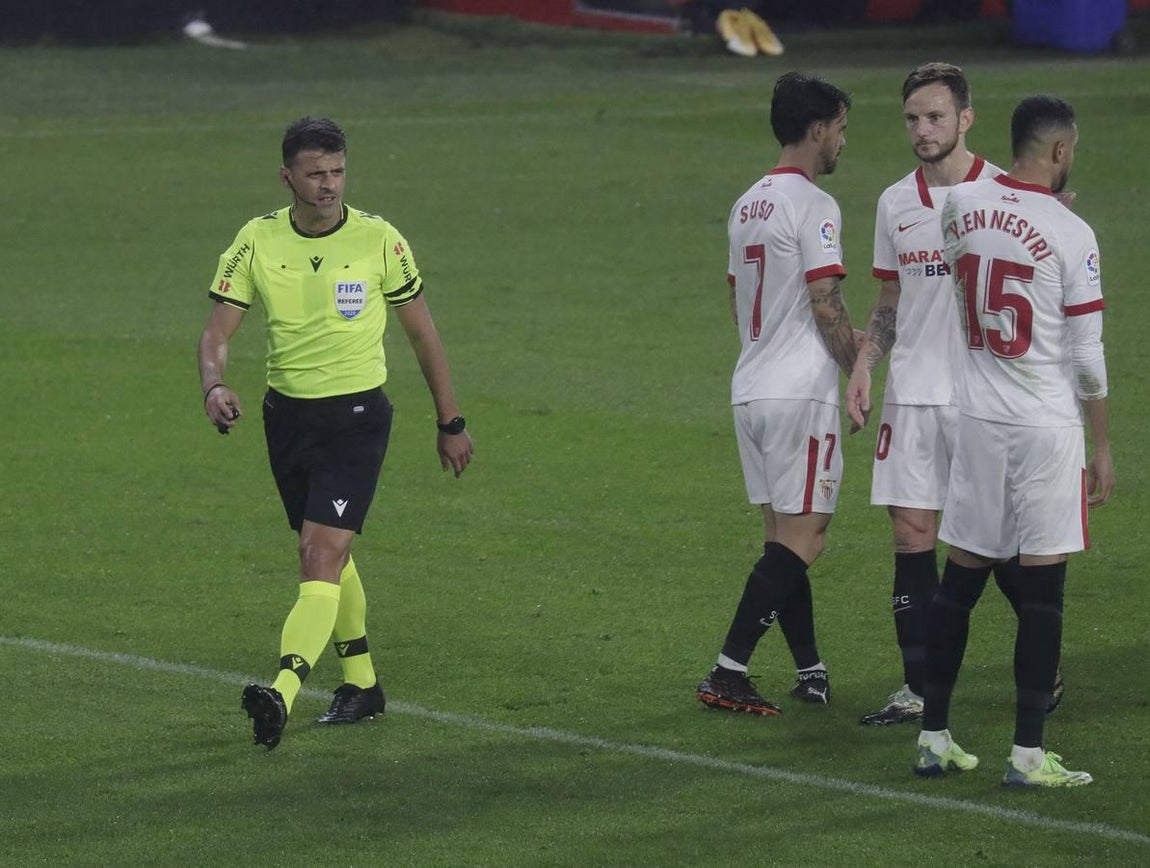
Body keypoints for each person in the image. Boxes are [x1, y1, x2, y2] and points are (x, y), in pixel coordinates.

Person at [198, 117, 474, 750]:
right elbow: (217, 331)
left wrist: (450, 421)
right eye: (317, 173)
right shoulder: (256, 240)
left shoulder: (379, 239)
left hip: (356, 419)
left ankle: (283, 689)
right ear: (288, 175)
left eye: (338, 171)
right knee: (325, 549)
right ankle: (363, 684)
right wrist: (215, 384)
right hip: (286, 418)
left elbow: (422, 333)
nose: (329, 184)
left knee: (317, 553)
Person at [914, 95, 1113, 786]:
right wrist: (1104, 445)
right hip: (1043, 428)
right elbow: (1087, 361)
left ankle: (933, 736)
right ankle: (1029, 754)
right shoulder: (1071, 230)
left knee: (960, 580)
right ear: (1059, 153)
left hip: (977, 422)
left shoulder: (960, 205)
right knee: (1042, 593)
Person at [846, 63, 1007, 726]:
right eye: (913, 118)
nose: (922, 129)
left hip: (983, 397)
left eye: (936, 116)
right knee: (912, 535)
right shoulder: (894, 203)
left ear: (966, 118)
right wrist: (863, 365)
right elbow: (889, 300)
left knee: (998, 541)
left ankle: (1042, 657)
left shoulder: (1005, 194)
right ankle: (918, 690)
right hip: (912, 393)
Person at [696, 72, 857, 715]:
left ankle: (811, 667)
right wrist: (858, 369)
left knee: (782, 538)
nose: (844, 141)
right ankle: (727, 670)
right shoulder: (815, 206)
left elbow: (739, 297)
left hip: (752, 385)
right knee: (807, 536)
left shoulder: (747, 203)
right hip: (799, 393)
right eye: (842, 128)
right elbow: (826, 303)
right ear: (817, 129)